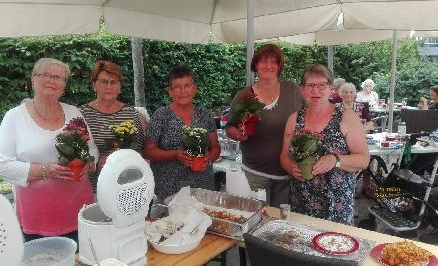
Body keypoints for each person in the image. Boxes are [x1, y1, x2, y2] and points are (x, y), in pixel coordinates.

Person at [0, 58, 99, 242]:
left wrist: (90, 163)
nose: (52, 80)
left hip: (79, 208)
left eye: (59, 77)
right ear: (33, 80)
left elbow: (92, 149)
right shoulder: (15, 117)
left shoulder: (74, 112)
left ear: (64, 85)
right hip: (39, 214)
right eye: (46, 75)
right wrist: (44, 171)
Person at [280, 64, 369, 225]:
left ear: (331, 89)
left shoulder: (346, 117)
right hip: (300, 203)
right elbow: (284, 156)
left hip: (336, 207)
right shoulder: (294, 119)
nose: (316, 91)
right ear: (303, 89)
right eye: (310, 85)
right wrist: (289, 167)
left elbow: (363, 160)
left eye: (322, 85)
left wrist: (335, 160)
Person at [226, 43, 303, 207]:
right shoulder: (245, 95)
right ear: (256, 65)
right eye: (263, 61)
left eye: (274, 62)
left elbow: (309, 116)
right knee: (257, 220)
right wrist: (239, 134)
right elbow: (230, 127)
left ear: (279, 66)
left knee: (282, 223)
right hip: (255, 173)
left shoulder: (292, 90)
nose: (269, 66)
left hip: (288, 173)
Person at [144, 64, 221, 200]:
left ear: (194, 88)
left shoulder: (205, 114)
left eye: (187, 86)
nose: (183, 91)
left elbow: (215, 147)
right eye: (177, 87)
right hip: (170, 191)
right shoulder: (161, 115)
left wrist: (208, 159)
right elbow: (148, 151)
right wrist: (175, 155)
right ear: (170, 91)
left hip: (203, 188)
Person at [80, 60, 145, 193]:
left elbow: (140, 151)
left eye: (114, 82)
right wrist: (95, 161)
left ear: (120, 87)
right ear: (94, 85)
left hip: (127, 185)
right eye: (104, 82)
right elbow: (77, 150)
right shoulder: (82, 114)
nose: (109, 86)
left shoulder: (131, 113)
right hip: (93, 187)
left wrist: (122, 159)